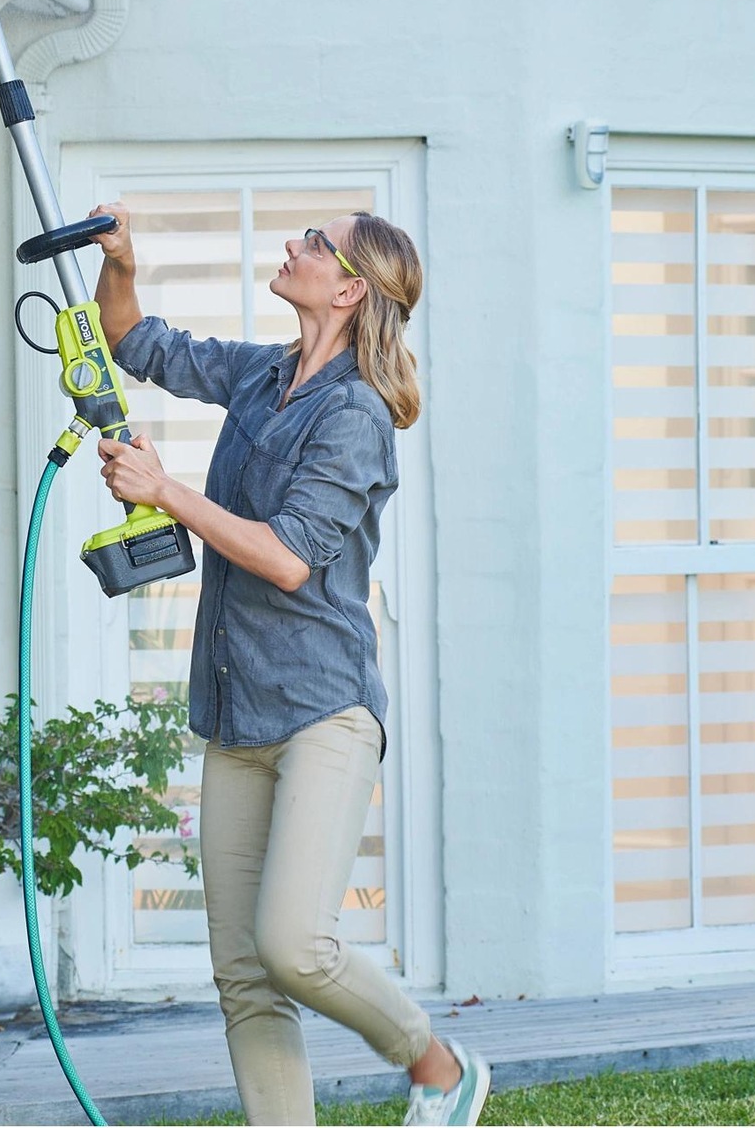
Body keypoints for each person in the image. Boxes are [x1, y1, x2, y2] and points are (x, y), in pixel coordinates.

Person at [87, 202, 487, 1127]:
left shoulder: (356, 415)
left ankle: (436, 1062)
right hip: (235, 712)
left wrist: (165, 490)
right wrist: (123, 260)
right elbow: (132, 338)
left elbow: (290, 555)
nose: (291, 247)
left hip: (321, 712)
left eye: (313, 242)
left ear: (350, 287)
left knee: (294, 945)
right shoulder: (266, 375)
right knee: (243, 973)